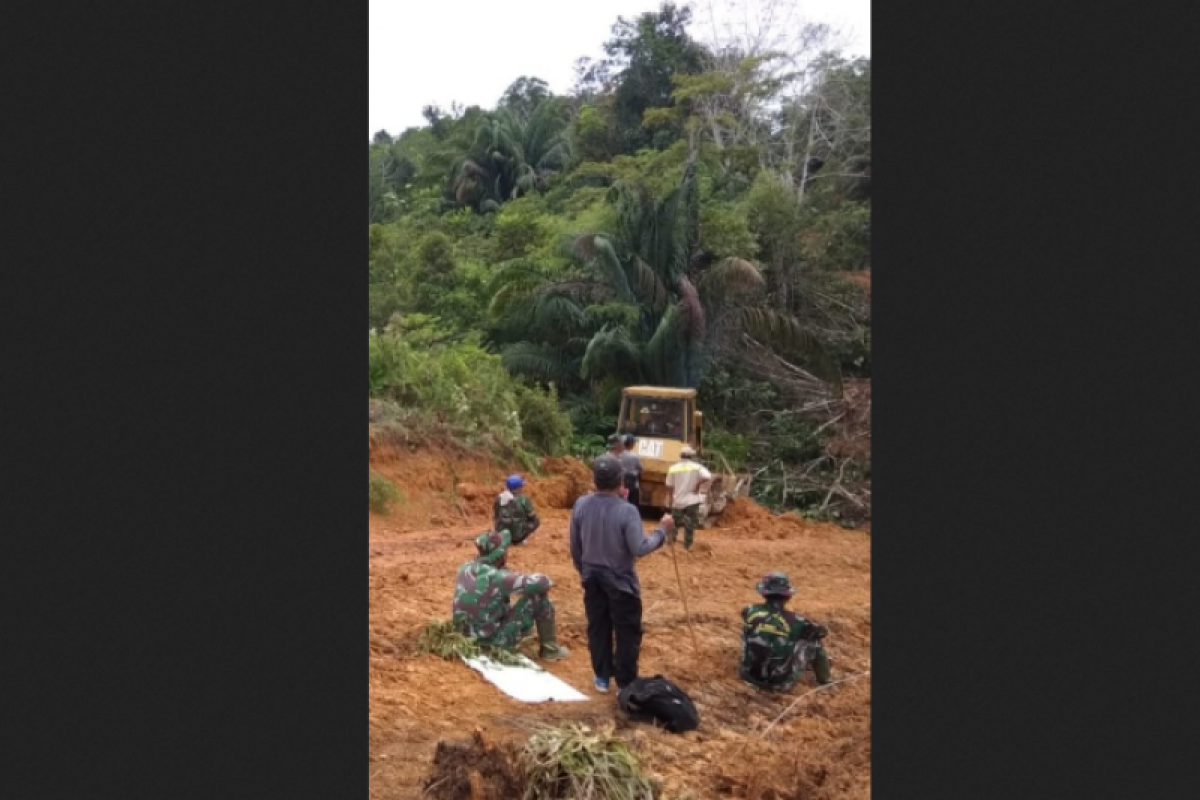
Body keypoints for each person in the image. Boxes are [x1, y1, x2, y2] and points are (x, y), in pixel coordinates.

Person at [569, 454, 674, 694]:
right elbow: (639, 547)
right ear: (621, 481)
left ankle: (602, 678)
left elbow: (575, 546)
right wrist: (661, 531)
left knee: (598, 626)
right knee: (626, 631)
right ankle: (625, 683)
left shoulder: (581, 505)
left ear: (594, 480)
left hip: (592, 577)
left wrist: (583, 570)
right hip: (621, 583)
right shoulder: (627, 511)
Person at [451, 530, 569, 661]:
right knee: (537, 598)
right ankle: (550, 651)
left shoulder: (465, 568)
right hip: (489, 645)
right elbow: (543, 583)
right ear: (500, 554)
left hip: (465, 638)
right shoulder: (497, 577)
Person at [739, 571, 831, 691]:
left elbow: (747, 616)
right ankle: (826, 681)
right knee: (814, 642)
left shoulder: (750, 610)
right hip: (779, 684)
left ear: (764, 594)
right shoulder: (797, 621)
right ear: (788, 596)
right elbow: (821, 632)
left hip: (747, 675)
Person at [665, 446, 712, 551]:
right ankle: (687, 546)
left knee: (674, 523)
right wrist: (697, 485)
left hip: (678, 501)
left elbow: (669, 486)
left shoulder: (673, 468)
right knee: (690, 524)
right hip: (692, 500)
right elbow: (708, 476)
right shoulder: (697, 467)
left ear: (680, 456)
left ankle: (670, 545)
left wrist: (670, 500)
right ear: (691, 456)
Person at [493, 474, 540, 546]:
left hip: (502, 535)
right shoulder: (523, 499)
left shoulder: (499, 498)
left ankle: (502, 537)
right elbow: (532, 516)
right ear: (518, 487)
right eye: (521, 486)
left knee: (498, 518)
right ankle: (519, 540)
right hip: (517, 537)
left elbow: (496, 514)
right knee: (536, 521)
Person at [618, 433, 643, 507]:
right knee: (633, 504)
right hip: (633, 485)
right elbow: (641, 468)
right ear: (631, 444)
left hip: (620, 484)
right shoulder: (635, 456)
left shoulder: (618, 455)